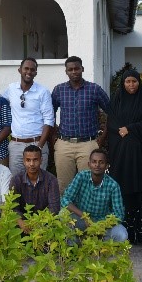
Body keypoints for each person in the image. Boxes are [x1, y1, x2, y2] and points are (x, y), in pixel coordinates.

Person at [107, 69, 142, 247]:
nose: (131, 85)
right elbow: (111, 123)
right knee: (123, 192)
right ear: (123, 83)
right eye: (127, 81)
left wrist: (130, 129)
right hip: (121, 157)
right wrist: (121, 131)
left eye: (134, 81)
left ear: (139, 82)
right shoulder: (117, 99)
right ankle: (123, 235)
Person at [52, 56, 110, 193]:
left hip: (88, 144)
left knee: (88, 186)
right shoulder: (59, 90)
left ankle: (86, 209)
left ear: (82, 69)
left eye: (77, 68)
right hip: (64, 144)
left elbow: (112, 112)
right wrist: (53, 137)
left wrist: (103, 137)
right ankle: (67, 209)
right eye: (70, 69)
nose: (74, 72)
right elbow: (49, 114)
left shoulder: (94, 89)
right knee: (64, 187)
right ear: (66, 71)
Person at [60, 149, 127, 242]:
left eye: (101, 162)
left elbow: (119, 215)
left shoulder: (113, 185)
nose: (97, 165)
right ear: (89, 164)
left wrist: (100, 226)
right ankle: (75, 244)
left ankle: (95, 241)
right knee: (63, 214)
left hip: (103, 224)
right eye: (94, 162)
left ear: (107, 166)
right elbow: (65, 200)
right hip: (81, 220)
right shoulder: (81, 177)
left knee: (121, 235)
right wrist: (84, 216)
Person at [2, 58, 54, 175]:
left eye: (32, 69)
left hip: (37, 142)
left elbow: (48, 120)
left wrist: (39, 147)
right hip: (16, 145)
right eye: (26, 68)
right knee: (16, 181)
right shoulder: (11, 89)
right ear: (19, 70)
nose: (29, 72)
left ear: (36, 72)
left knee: (38, 180)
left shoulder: (43, 92)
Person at [9, 144, 60, 233]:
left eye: (35, 160)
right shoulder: (16, 180)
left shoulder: (51, 180)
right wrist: (21, 223)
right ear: (24, 161)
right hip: (22, 224)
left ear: (41, 160)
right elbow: (13, 207)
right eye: (28, 160)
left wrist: (39, 223)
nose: (32, 164)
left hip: (45, 224)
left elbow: (54, 208)